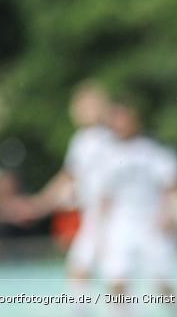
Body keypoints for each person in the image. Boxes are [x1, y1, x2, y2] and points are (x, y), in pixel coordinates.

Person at [19, 81, 115, 297]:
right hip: (94, 219)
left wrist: (39, 204)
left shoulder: (109, 139)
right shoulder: (84, 140)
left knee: (113, 282)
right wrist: (39, 204)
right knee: (80, 274)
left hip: (112, 220)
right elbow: (68, 178)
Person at [99, 99, 177, 316]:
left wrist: (168, 214)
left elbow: (172, 186)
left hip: (151, 222)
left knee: (163, 283)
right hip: (121, 222)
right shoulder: (107, 155)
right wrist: (102, 231)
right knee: (116, 279)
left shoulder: (154, 151)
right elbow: (104, 196)